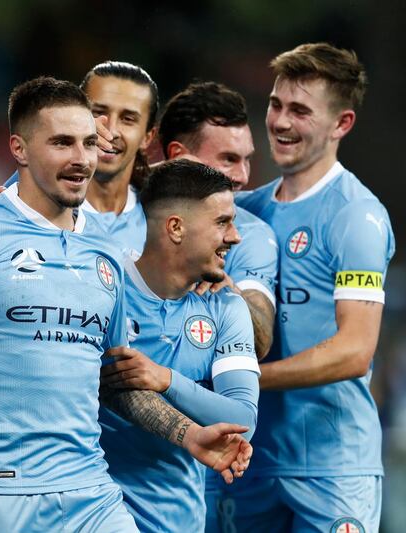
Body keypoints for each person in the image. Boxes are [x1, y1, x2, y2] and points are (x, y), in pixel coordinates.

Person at [0, 77, 253, 532]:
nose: (81, 159)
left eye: (87, 143)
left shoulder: (105, 252)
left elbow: (115, 381)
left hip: (91, 492)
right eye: (61, 143)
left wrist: (189, 434)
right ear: (19, 149)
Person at [224, 43, 395, 533]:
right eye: (276, 105)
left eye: (300, 111)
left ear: (341, 124)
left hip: (332, 468)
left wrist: (248, 379)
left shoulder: (355, 216)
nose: (279, 122)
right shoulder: (246, 211)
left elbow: (354, 352)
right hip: (249, 462)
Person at [98, 159, 260, 532]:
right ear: (176, 228)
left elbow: (243, 421)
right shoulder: (106, 286)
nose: (234, 236)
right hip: (93, 509)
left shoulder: (226, 308)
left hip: (177, 520)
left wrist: (166, 379)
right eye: (222, 222)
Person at [157, 82, 279, 531]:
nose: (245, 175)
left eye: (247, 157)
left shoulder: (249, 234)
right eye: (229, 159)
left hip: (200, 465)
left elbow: (261, 333)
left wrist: (227, 291)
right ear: (178, 156)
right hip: (97, 461)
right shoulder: (115, 220)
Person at [3, 61, 157, 255]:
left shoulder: (160, 217)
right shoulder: (21, 208)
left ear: (147, 137)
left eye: (128, 119)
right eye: (98, 113)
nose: (111, 131)